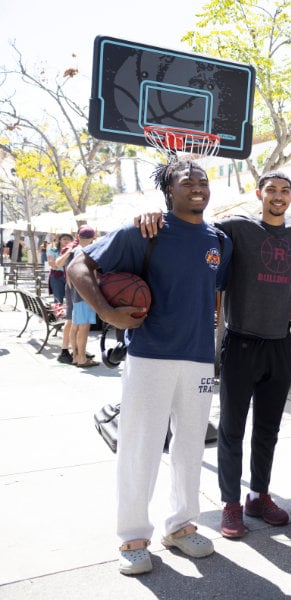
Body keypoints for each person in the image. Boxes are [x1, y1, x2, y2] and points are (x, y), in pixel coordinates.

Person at [68, 160, 232, 576]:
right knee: (141, 445)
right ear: (168, 190)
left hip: (198, 357)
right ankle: (133, 536)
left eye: (203, 181)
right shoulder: (146, 230)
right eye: (186, 181)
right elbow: (76, 265)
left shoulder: (219, 240)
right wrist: (109, 313)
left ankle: (180, 525)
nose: (197, 186)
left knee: (191, 446)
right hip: (151, 353)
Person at [212, 173, 291, 538]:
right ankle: (231, 503)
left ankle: (259, 495)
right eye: (271, 189)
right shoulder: (236, 227)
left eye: (285, 191)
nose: (278, 196)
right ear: (259, 194)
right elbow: (196, 231)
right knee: (232, 429)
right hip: (240, 342)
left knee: (268, 429)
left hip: (278, 343)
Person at [66, 226, 98, 368]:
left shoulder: (73, 251)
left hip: (75, 294)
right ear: (93, 237)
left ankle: (75, 357)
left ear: (78, 236)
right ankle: (82, 358)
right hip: (85, 294)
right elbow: (94, 276)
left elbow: (68, 274)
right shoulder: (88, 252)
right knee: (84, 328)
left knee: (75, 326)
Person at [49, 233, 76, 364]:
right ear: (60, 240)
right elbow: (53, 264)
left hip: (65, 277)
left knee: (68, 310)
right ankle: (58, 319)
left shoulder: (72, 249)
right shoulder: (54, 250)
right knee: (58, 301)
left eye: (68, 239)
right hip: (57, 276)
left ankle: (75, 349)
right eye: (64, 239)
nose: (66, 241)